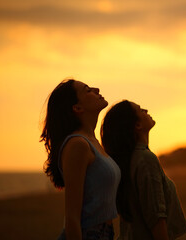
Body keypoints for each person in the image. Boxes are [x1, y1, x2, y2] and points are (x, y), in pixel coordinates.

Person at [40, 79, 121, 240]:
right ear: (77, 108)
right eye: (88, 90)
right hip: (88, 234)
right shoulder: (77, 145)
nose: (97, 89)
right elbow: (72, 218)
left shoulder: (94, 143)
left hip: (104, 233)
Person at [101, 100, 186, 240]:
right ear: (137, 125)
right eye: (141, 110)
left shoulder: (128, 160)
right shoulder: (145, 159)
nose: (146, 110)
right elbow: (156, 215)